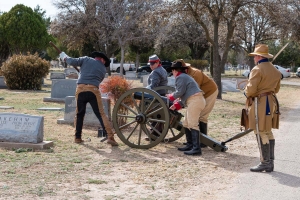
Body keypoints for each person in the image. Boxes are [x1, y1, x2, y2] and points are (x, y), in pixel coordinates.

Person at [59, 51, 118, 146]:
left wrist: (64, 56)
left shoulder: (86, 59)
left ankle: (77, 137)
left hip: (80, 89)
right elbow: (97, 79)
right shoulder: (103, 69)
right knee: (101, 114)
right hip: (93, 90)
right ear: (102, 60)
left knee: (79, 114)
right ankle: (110, 136)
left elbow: (71, 61)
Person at [244, 44, 281, 172]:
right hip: (271, 101)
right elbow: (276, 89)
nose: (254, 58)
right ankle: (269, 162)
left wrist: (246, 93)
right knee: (267, 131)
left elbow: (250, 90)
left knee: (260, 130)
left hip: (260, 102)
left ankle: (265, 162)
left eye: (255, 56)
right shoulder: (275, 70)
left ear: (259, 56)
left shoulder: (257, 69)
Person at [174, 59, 218, 148]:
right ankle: (193, 142)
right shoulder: (185, 75)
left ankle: (203, 142)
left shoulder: (195, 74)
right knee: (191, 118)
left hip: (210, 92)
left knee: (202, 116)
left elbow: (193, 92)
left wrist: (179, 104)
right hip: (200, 94)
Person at [167, 61, 206, 155]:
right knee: (186, 123)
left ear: (175, 70)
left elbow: (180, 92)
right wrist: (176, 105)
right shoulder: (185, 77)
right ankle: (190, 145)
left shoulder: (180, 77)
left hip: (195, 100)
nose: (172, 73)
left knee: (192, 124)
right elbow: (186, 95)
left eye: (172, 71)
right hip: (194, 100)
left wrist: (170, 97)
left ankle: (196, 148)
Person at [144, 54, 168, 140]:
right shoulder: (162, 70)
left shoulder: (156, 72)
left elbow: (153, 86)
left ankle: (154, 134)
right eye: (150, 63)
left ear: (158, 62)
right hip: (161, 95)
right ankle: (157, 133)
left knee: (154, 115)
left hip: (156, 96)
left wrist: (143, 91)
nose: (151, 65)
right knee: (158, 116)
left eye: (153, 63)